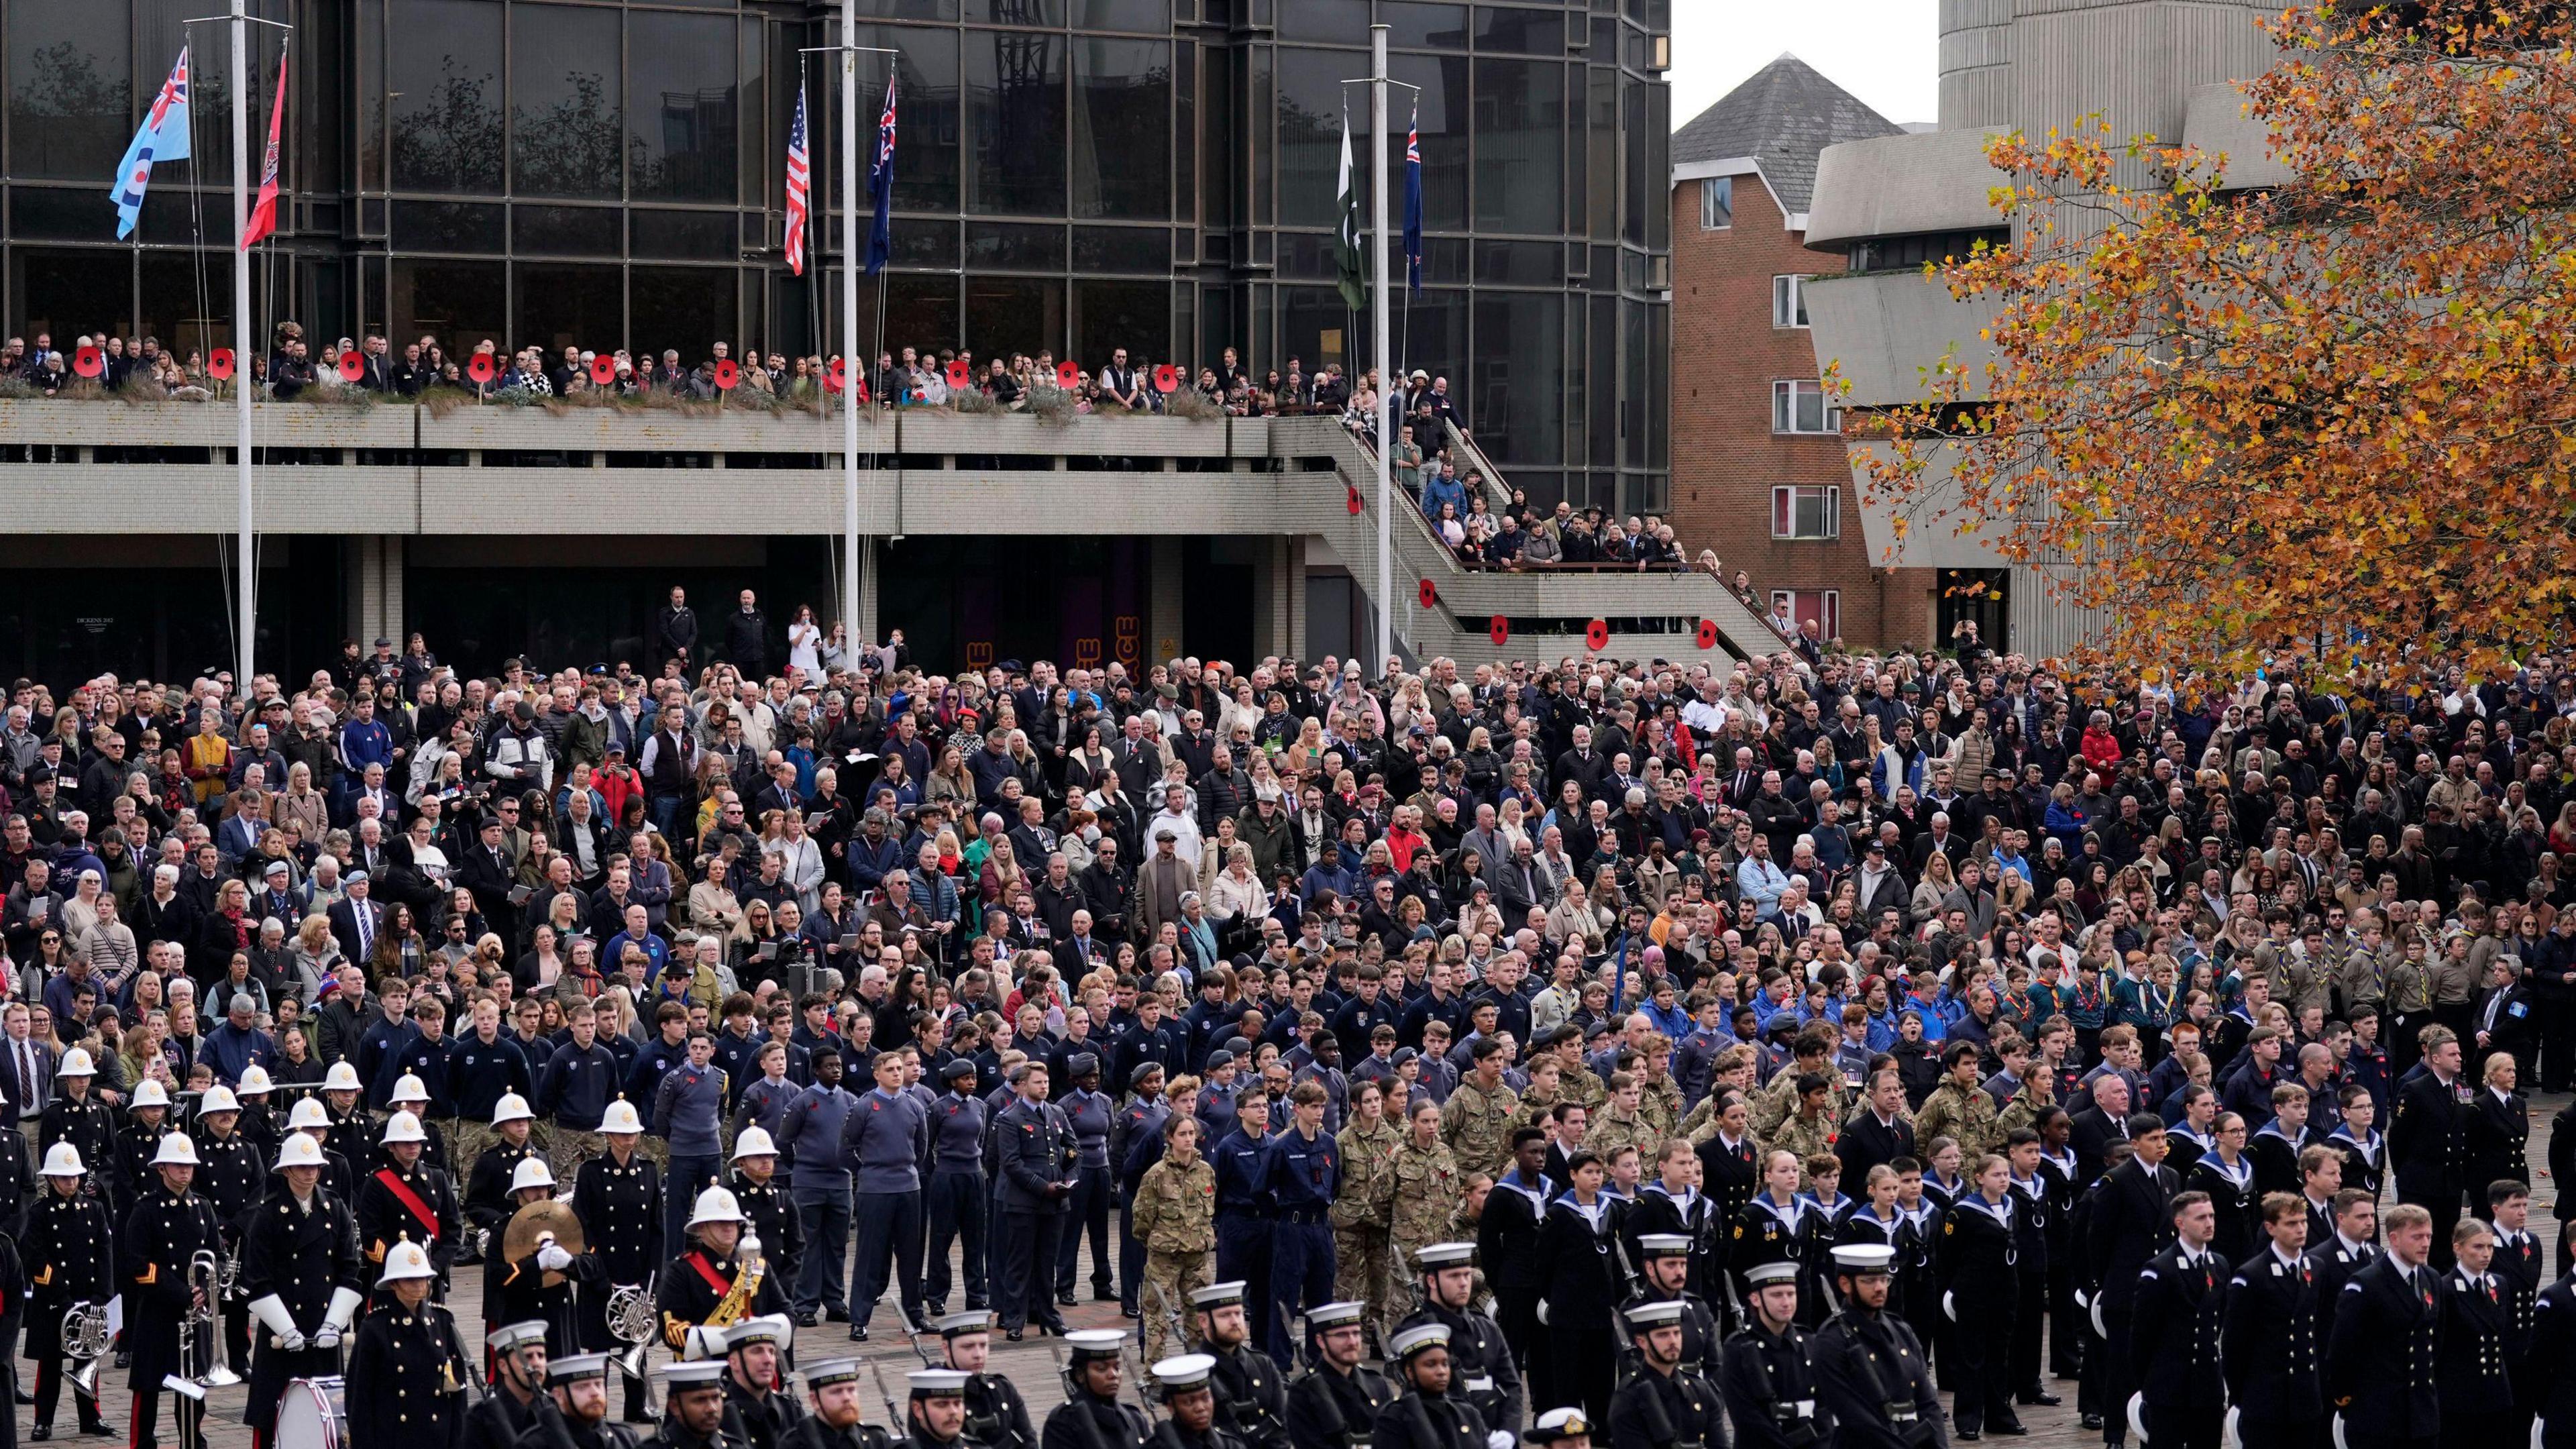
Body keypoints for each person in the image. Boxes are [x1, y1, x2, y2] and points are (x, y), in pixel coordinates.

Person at [241, 1132, 368, 1446]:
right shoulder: (268, 1214)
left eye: (314, 1165)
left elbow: (350, 1271)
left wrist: (334, 1323)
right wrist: (285, 1330)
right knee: (272, 1418)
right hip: (282, 1336)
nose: (310, 1172)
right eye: (301, 1166)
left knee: (330, 1420)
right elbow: (257, 1280)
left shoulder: (335, 1208)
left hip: (324, 1330)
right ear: (286, 1171)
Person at [121, 1134, 225, 1449]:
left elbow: (218, 1256)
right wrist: (182, 1292)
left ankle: (192, 1440)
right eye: (177, 1165)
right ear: (162, 1168)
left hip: (196, 1313)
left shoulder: (203, 1207)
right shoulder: (146, 1209)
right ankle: (142, 1443)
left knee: (192, 1387)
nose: (184, 1171)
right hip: (158, 1311)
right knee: (148, 1387)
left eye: (188, 1166)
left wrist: (207, 1289)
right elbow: (140, 1266)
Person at [574, 1098, 665, 1424]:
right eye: (621, 1133)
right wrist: (599, 1275)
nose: (628, 1139)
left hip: (636, 1272)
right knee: (598, 1349)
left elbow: (657, 1229)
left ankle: (635, 1405)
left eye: (632, 1133)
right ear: (608, 1136)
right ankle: (593, 1406)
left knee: (635, 1346)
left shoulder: (650, 1172)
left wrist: (651, 1278)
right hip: (604, 1273)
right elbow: (582, 1225)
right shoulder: (591, 1173)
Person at [2323, 1201, 2443, 1449]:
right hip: (2377, 1415)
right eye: (2417, 1237)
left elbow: (2436, 1341)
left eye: (2429, 1236)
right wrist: (2346, 1402)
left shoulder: (2431, 1278)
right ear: (2394, 1239)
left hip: (2422, 1413)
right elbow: (2341, 1350)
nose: (2425, 1244)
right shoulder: (2366, 1283)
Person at [1809, 1243, 1944, 1449]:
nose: (1880, 1287)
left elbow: (1928, 1403)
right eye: (1870, 1281)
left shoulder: (1901, 1331)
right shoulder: (1831, 1341)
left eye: (1884, 1279)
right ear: (1845, 1284)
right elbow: (1854, 1415)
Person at [21, 1142, 115, 1440]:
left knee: (88, 1363)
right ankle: (43, 1419)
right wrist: (59, 1293)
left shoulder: (95, 1209)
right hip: (54, 1301)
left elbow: (104, 1253)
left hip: (87, 1298)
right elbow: (35, 1257)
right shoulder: (40, 1213)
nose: (71, 1182)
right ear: (50, 1179)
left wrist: (103, 1294)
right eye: (64, 1178)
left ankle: (91, 1417)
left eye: (74, 1176)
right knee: (49, 1364)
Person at [345, 1242, 474, 1449]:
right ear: (393, 1284)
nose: (418, 1285)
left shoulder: (442, 1322)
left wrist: (457, 1441)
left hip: (437, 1438)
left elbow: (458, 1392)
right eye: (410, 1279)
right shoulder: (375, 1328)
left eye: (422, 1278)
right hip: (393, 1439)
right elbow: (359, 1399)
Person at [2127, 1190, 2226, 1449]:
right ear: (2180, 1223)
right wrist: (2148, 1386)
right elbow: (2142, 1335)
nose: (2209, 1223)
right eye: (2201, 1218)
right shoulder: (2160, 1270)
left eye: (2212, 1216)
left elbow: (2216, 1322)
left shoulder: (2219, 1265)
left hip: (2207, 1385)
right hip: (2169, 1386)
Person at [1935, 1152, 2022, 1440]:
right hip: (1974, 1291)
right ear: (1979, 1178)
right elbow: (1949, 1255)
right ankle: (1968, 1418)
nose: (2003, 1180)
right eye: (1997, 1175)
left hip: (2005, 1290)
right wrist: (1954, 1290)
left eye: (2006, 1175)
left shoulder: (2011, 1205)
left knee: (2000, 1354)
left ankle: (2000, 1415)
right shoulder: (1964, 1212)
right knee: (1972, 1357)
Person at [1394, 1242, 1522, 1436]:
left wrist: (1508, 1433)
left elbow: (1512, 1387)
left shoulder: (1486, 1328)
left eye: (1467, 1274)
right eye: (1454, 1276)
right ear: (1431, 1281)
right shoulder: (1413, 1331)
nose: (1464, 1283)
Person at [657, 1186, 792, 1360]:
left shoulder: (758, 1266)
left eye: (732, 1222)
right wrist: (736, 1338)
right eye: (719, 1222)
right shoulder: (682, 1270)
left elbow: (787, 1314)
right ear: (701, 1228)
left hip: (754, 1372)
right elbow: (672, 1331)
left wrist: (756, 1331)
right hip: (706, 1375)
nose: (728, 1227)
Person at [994, 1061, 1076, 1341]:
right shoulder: (1010, 1117)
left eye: (1046, 1082)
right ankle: (1015, 1318)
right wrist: (1044, 1187)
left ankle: (1047, 1315)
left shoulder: (1056, 1112)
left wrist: (1070, 1179)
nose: (1044, 1087)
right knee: (1020, 1262)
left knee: (1047, 1262)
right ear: (1024, 1085)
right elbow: (1011, 1163)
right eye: (1038, 1083)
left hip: (1056, 1202)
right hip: (1025, 1201)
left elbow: (1072, 1149)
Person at [1719, 1259, 1830, 1449]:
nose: (1786, 1302)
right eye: (1777, 1295)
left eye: (1791, 1294)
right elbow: (1746, 1419)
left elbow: (1825, 1409)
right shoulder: (1737, 1348)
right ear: (1756, 1299)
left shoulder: (1810, 1342)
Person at [1133, 1112, 1217, 1362]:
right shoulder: (1156, 1175)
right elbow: (1141, 1220)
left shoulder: (1205, 1172)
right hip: (1164, 1258)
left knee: (1200, 1318)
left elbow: (1210, 1210)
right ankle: (1154, 1377)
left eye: (1192, 1133)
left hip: (1198, 1257)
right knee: (1157, 1319)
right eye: (1182, 1134)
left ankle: (1199, 1369)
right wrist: (1160, 1240)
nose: (1189, 1139)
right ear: (1170, 1138)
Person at [1608, 1298, 1726, 1449]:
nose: (1673, 1341)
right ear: (1642, 1342)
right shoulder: (1628, 1399)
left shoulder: (1700, 1390)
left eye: (1677, 1333)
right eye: (1663, 1335)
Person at [1282, 1300, 1394, 1449]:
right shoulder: (1303, 1392)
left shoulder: (1376, 1384)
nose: (1352, 1342)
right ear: (1321, 1341)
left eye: (1355, 1333)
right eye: (1342, 1335)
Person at [1191, 1281, 1288, 1449]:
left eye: (1238, 1313)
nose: (1235, 1321)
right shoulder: (1192, 1372)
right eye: (1225, 1315)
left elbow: (1281, 1427)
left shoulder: (1262, 1363)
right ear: (1203, 1321)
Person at [1369, 1324, 1493, 1449]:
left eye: (1445, 1364)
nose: (1441, 1371)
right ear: (1410, 1371)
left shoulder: (1467, 1413)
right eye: (1431, 1364)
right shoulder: (1394, 1418)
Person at [930, 1312, 1034, 1449]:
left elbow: (1028, 1440)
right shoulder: (931, 1396)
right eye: (968, 1347)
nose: (978, 1355)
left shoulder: (1002, 1388)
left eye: (983, 1345)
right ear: (946, 1349)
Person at [1038, 1329, 1150, 1449]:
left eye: (1117, 1367)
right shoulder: (1063, 1423)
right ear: (1080, 1375)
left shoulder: (1134, 1418)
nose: (1113, 1375)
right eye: (1102, 1369)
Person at [716, 1315, 806, 1449]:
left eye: (772, 1352)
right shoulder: (719, 1414)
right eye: (757, 1351)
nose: (768, 1360)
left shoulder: (789, 1408)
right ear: (733, 1363)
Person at [466, 1320, 553, 1449]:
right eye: (527, 1357)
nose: (537, 1363)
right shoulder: (479, 1420)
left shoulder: (556, 1409)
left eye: (541, 1356)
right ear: (503, 1366)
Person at [786, 1357, 896, 1449]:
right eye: (836, 1392)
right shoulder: (794, 1444)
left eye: (851, 1390)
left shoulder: (877, 1440)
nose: (847, 1398)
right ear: (815, 1400)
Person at [1148, 1353, 1248, 1449]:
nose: (1200, 1408)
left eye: (1206, 1398)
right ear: (1171, 1406)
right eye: (1189, 1402)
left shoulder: (1230, 1445)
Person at [645, 1358, 749, 1449]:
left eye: (716, 1397)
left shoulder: (736, 1446)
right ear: (675, 1406)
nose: (712, 1408)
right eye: (700, 1400)